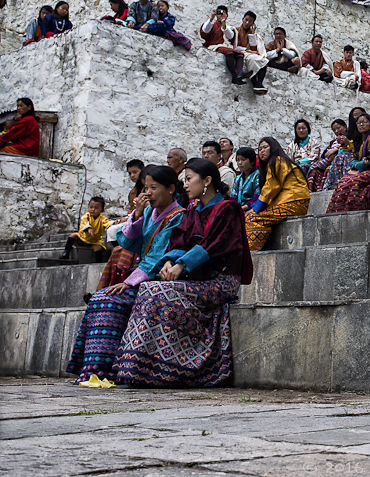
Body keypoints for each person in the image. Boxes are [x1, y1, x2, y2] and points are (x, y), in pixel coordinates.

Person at [109, 158, 252, 387]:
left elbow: (213, 245)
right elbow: (180, 241)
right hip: (197, 278)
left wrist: (182, 264)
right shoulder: (193, 211)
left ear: (206, 181)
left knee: (156, 291)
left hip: (222, 280)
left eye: (188, 179)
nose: (185, 185)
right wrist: (168, 261)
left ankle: (172, 367)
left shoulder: (228, 209)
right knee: (149, 289)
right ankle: (139, 368)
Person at [66, 166, 186, 386]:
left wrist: (128, 282)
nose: (148, 193)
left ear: (170, 189)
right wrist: (138, 215)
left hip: (157, 278)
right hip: (141, 276)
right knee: (100, 298)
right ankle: (91, 369)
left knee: (108, 301)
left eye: (153, 187)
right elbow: (129, 243)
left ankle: (104, 369)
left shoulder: (178, 216)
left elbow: (159, 256)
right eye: (145, 188)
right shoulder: (149, 211)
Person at [245, 138, 310, 251]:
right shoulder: (276, 162)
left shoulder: (277, 161)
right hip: (293, 202)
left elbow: (271, 187)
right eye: (259, 149)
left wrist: (255, 209)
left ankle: (250, 252)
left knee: (252, 217)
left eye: (265, 147)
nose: (262, 151)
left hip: (293, 202)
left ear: (273, 147)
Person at [326, 113, 370, 212]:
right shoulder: (361, 140)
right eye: (359, 123)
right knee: (342, 182)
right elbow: (353, 158)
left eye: (364, 122)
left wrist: (357, 166)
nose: (361, 124)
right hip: (366, 170)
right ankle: (335, 213)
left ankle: (351, 211)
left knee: (354, 181)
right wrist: (356, 165)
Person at [226, 11, 269, 93]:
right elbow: (233, 46)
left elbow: (253, 48)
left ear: (253, 23)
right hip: (240, 53)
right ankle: (256, 84)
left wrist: (252, 34)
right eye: (246, 20)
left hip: (250, 54)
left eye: (250, 21)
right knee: (253, 59)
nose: (247, 23)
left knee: (264, 61)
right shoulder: (236, 30)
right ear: (242, 19)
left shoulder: (253, 34)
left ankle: (259, 83)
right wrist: (245, 50)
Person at [60, 196, 113, 262]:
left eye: (96, 208)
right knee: (72, 236)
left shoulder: (102, 219)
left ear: (102, 210)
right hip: (82, 239)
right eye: (91, 207)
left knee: (98, 249)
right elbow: (84, 223)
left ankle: (98, 262)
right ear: (88, 207)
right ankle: (66, 253)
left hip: (94, 241)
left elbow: (108, 223)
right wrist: (89, 228)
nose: (93, 209)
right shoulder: (86, 216)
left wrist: (115, 222)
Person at [307, 119, 349, 192]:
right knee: (314, 170)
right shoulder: (333, 142)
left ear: (345, 127)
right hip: (329, 160)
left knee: (329, 169)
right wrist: (328, 152)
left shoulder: (349, 137)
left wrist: (336, 150)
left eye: (338, 128)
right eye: (334, 130)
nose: (336, 131)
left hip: (343, 161)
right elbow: (325, 153)